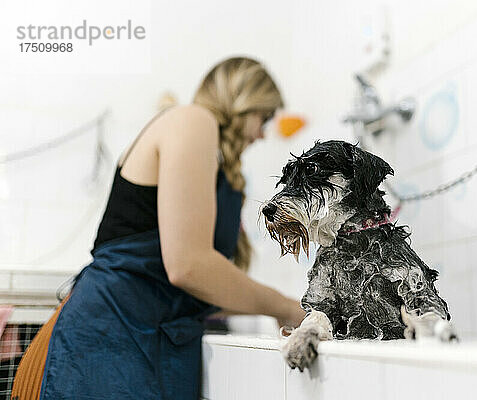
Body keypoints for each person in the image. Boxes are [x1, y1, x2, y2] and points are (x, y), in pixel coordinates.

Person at [11, 56, 306, 400]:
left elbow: (200, 289)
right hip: (107, 339)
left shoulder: (220, 172)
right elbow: (189, 267)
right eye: (264, 117)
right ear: (242, 102)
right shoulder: (193, 120)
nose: (262, 133)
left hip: (157, 345)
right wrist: (284, 306)